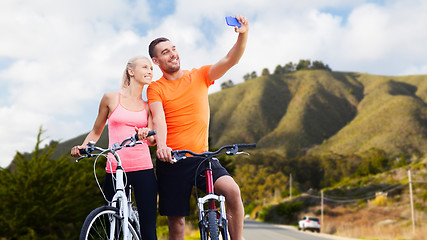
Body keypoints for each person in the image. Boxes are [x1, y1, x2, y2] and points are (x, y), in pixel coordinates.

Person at [147, 15, 249, 240]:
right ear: (156, 61)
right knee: (177, 224)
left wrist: (243, 35)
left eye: (173, 49)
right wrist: (162, 146)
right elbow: (158, 119)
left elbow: (231, 59)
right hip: (172, 160)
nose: (173, 54)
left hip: (203, 158)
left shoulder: (200, 75)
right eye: (165, 52)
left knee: (232, 191)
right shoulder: (155, 88)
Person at [71, 56, 158, 240]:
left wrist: (147, 132)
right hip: (114, 168)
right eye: (145, 67)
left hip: (143, 169)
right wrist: (83, 146)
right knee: (114, 227)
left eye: (151, 67)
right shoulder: (110, 98)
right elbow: (96, 131)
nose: (150, 70)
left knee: (149, 230)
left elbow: (152, 140)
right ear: (131, 71)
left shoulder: (148, 106)